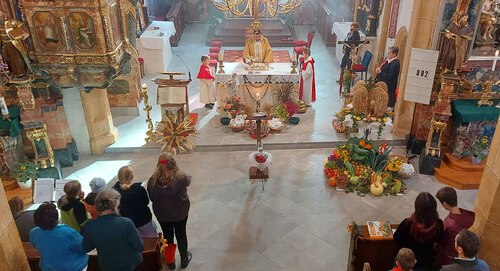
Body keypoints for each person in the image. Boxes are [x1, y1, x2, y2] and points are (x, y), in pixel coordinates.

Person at [147, 152, 192, 270]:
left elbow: (152, 198)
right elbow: (189, 181)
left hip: (163, 215)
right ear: (173, 164)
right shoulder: (181, 177)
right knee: (181, 235)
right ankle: (184, 259)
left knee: (167, 237)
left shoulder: (152, 181)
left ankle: (170, 262)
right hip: (180, 213)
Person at [82, 189, 144, 271]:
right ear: (116, 205)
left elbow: (86, 248)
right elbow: (139, 247)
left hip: (108, 266)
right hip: (131, 264)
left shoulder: (90, 226)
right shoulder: (126, 223)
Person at [29, 202, 88, 271]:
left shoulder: (33, 232)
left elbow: (36, 246)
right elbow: (84, 248)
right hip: (74, 267)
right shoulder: (69, 233)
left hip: (47, 267)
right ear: (56, 218)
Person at [394, 192, 444, 271]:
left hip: (406, 259)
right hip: (426, 261)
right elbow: (439, 240)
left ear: (417, 208)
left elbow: (396, 238)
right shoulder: (439, 224)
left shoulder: (408, 224)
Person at [436, 187, 475, 268]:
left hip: (450, 260)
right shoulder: (469, 215)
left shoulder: (450, 224)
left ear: (444, 204)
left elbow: (449, 249)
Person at [113, 165, 157, 237]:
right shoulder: (139, 190)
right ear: (132, 176)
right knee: (151, 239)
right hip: (143, 220)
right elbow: (146, 202)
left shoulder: (114, 191)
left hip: (127, 222)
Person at [376, 46, 400, 111]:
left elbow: (389, 76)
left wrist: (380, 72)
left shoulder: (395, 64)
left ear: (394, 54)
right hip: (382, 86)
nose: (388, 54)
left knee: (385, 107)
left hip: (388, 89)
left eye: (389, 52)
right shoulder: (387, 60)